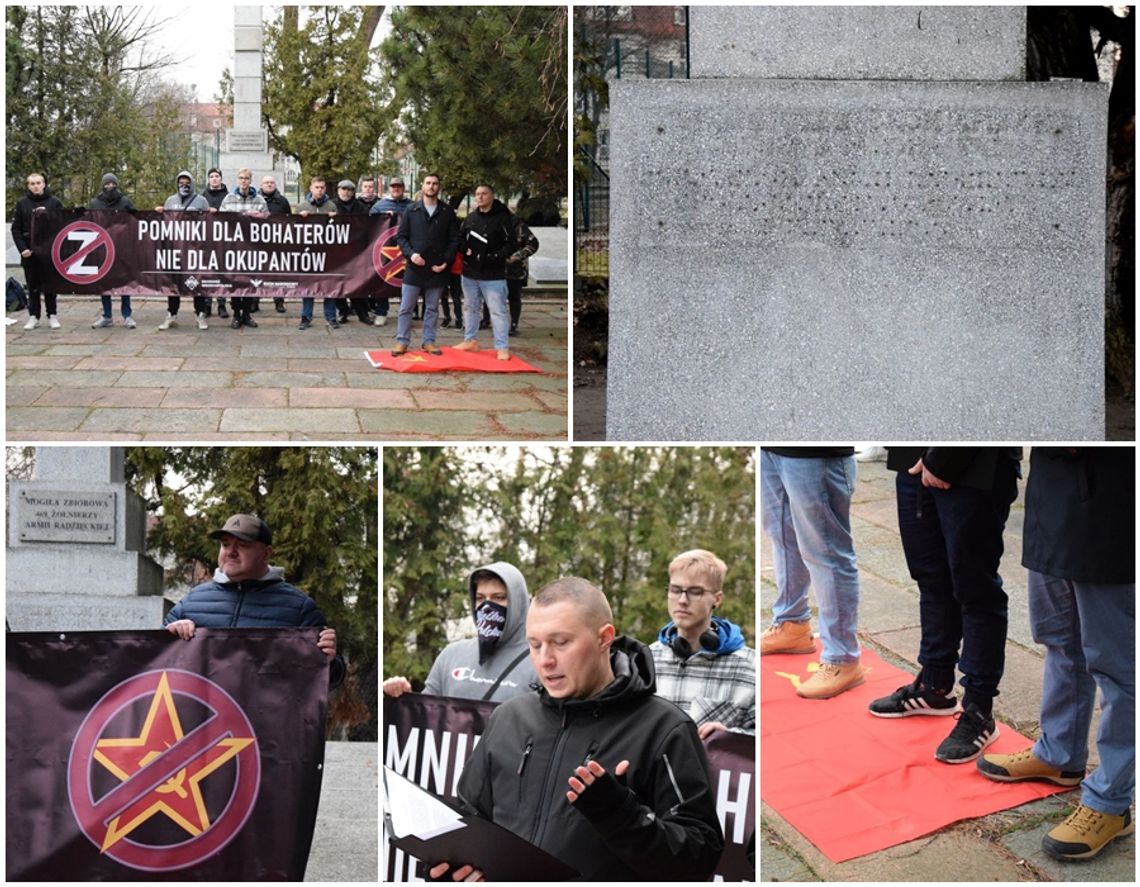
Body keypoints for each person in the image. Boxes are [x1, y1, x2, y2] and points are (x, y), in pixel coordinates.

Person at [431, 576, 723, 882]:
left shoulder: (664, 729)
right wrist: (450, 865)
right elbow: (468, 820)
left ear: (604, 638)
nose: (545, 660)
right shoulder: (508, 718)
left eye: (561, 642)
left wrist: (623, 816)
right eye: (535, 645)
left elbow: (699, 860)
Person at [978, 447, 1134, 860]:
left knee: (1117, 666)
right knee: (1058, 639)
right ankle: (1059, 753)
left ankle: (1111, 801)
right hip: (1052, 494)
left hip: (1112, 499)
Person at [868, 447, 1021, 763]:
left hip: (974, 464)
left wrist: (943, 459)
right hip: (911, 455)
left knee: (976, 591)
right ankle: (935, 687)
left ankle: (979, 709)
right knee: (931, 577)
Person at [164, 513, 344, 689]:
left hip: (266, 719)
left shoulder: (299, 608)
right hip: (203, 717)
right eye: (225, 545)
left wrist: (329, 661)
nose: (231, 552)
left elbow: (330, 681)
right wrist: (168, 635)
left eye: (242, 545)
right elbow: (154, 662)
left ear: (266, 554)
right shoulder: (191, 602)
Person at [760, 447, 864, 699]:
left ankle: (842, 657)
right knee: (782, 535)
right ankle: (791, 623)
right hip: (770, 447)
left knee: (826, 551)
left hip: (816, 453)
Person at [382, 562, 535, 702]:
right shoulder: (451, 655)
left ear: (518, 603)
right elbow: (425, 716)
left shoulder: (541, 661)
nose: (488, 606)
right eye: (480, 598)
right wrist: (404, 698)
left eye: (499, 597)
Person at [650, 549, 755, 738]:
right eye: (675, 590)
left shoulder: (749, 666)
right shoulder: (645, 661)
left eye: (695, 592)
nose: (682, 600)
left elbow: (769, 736)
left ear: (717, 598)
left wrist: (730, 738)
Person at [391, 173, 459, 357]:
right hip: (414, 268)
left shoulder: (447, 212)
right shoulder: (411, 211)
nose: (431, 186)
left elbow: (454, 240)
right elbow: (402, 237)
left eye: (435, 183)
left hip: (437, 268)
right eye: (428, 183)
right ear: (422, 186)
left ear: (439, 187)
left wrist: (446, 261)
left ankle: (428, 341)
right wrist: (411, 255)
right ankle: (402, 341)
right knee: (406, 307)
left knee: (432, 308)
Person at [455, 184, 517, 361]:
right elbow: (460, 238)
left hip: (493, 274)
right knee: (470, 308)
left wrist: (495, 257)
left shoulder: (503, 218)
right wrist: (464, 248)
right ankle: (470, 340)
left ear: (492, 196)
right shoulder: (471, 218)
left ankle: (502, 347)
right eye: (477, 194)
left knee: (497, 310)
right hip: (470, 273)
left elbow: (512, 243)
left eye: (484, 194)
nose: (480, 197)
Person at [154, 170, 209, 331]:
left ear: (192, 183)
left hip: (195, 250)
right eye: (181, 182)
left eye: (187, 182)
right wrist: (159, 213)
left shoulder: (201, 200)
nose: (184, 185)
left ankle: (200, 315)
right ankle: (171, 314)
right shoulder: (171, 201)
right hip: (175, 249)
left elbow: (208, 222)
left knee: (197, 283)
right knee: (173, 284)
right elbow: (165, 223)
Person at [11, 171, 63, 331]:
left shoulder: (54, 202)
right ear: (28, 186)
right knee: (32, 286)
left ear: (44, 184)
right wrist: (23, 249)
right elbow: (16, 229)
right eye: (32, 183)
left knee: (50, 286)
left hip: (48, 253)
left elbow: (61, 226)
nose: (35, 186)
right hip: (29, 253)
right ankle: (34, 316)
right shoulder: (22, 204)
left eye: (38, 183)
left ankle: (52, 315)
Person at [86, 173, 137, 330]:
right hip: (102, 249)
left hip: (122, 248)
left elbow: (136, 220)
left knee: (124, 283)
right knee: (104, 283)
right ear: (102, 185)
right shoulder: (95, 203)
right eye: (107, 184)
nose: (110, 187)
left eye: (112, 184)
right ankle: (107, 315)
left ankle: (127, 315)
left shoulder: (125, 201)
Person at [220, 168, 268, 329]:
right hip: (234, 247)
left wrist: (258, 216)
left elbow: (268, 220)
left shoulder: (259, 200)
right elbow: (221, 220)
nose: (243, 181)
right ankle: (236, 314)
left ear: (250, 180)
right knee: (234, 281)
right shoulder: (229, 198)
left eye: (246, 178)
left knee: (249, 280)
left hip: (252, 247)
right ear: (237, 180)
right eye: (241, 178)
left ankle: (247, 314)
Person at [296, 176, 339, 330]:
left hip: (328, 252)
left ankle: (331, 317)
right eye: (317, 187)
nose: (319, 190)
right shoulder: (302, 205)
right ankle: (306, 317)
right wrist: (300, 218)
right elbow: (293, 230)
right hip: (308, 252)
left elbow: (341, 230)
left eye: (322, 187)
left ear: (325, 189)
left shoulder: (331, 206)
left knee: (329, 285)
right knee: (308, 286)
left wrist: (336, 219)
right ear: (311, 188)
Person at [371, 176, 413, 325]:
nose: (396, 189)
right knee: (384, 280)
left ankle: (405, 314)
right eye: (393, 186)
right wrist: (382, 217)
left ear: (403, 188)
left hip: (407, 250)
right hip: (385, 250)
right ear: (389, 188)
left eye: (399, 186)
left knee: (407, 282)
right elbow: (369, 225)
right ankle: (381, 313)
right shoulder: (379, 205)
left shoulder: (412, 205)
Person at [331, 180, 371, 325]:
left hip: (356, 251)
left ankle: (362, 313)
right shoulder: (332, 205)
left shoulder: (360, 207)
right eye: (344, 189)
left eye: (350, 189)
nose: (346, 192)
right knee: (338, 283)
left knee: (358, 283)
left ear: (353, 192)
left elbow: (368, 226)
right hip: (336, 251)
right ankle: (342, 312)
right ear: (338, 190)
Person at [259, 174, 292, 314]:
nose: (269, 184)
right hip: (258, 243)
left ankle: (279, 302)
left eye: (272, 182)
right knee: (257, 273)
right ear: (261, 185)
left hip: (278, 243)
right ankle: (254, 301)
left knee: (277, 274)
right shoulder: (257, 200)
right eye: (266, 182)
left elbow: (290, 220)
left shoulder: (282, 201)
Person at [201, 168, 230, 318]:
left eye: (217, 176)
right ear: (208, 179)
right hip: (207, 239)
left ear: (221, 179)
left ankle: (221, 304)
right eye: (211, 176)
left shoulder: (228, 196)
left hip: (223, 240)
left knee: (221, 273)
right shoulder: (202, 196)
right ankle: (206, 305)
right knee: (207, 273)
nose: (214, 179)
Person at [504, 216, 539, 336]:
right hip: (496, 266)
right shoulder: (492, 223)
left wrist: (518, 255)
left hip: (516, 269)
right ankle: (487, 320)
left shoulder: (519, 226)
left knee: (514, 296)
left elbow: (533, 244)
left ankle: (514, 323)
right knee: (492, 295)